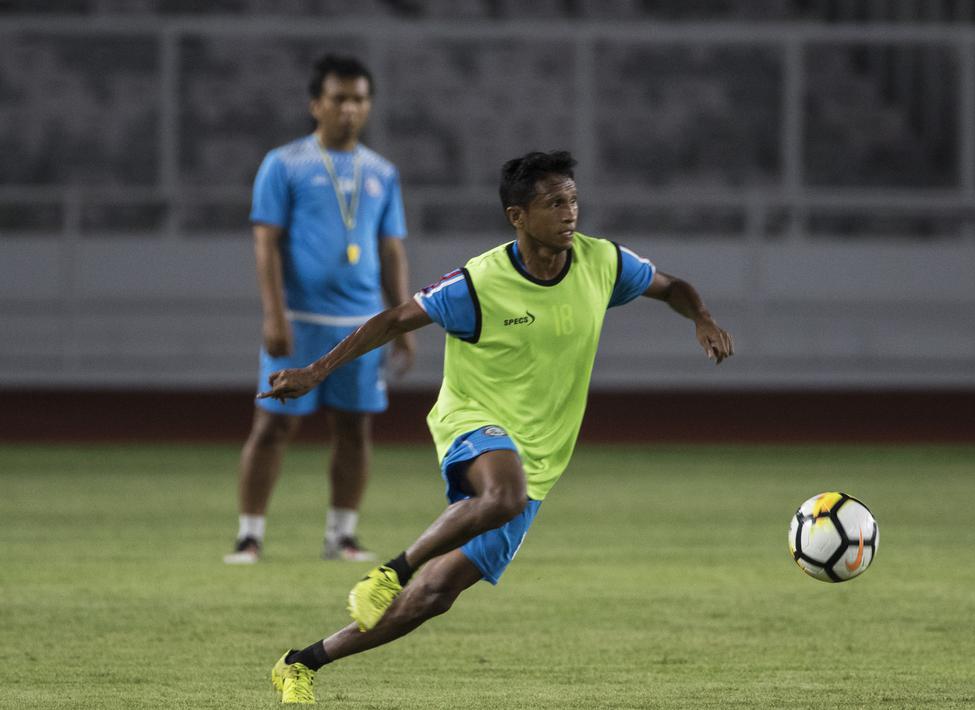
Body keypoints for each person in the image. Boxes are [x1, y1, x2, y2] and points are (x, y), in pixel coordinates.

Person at [260, 150, 733, 703]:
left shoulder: (603, 262)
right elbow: (393, 320)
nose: (570, 213)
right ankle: (391, 571)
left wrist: (702, 317)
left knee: (436, 595)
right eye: (553, 203)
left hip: (542, 455)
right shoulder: (478, 283)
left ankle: (301, 663)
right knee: (503, 494)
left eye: (573, 199)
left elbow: (672, 286)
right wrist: (316, 371)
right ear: (518, 216)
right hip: (472, 418)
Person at [224, 54, 415, 565]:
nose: (349, 109)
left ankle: (342, 536)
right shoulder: (284, 164)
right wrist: (274, 314)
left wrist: (403, 323)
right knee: (274, 425)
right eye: (339, 99)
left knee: (354, 428)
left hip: (362, 324)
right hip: (301, 320)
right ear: (316, 105)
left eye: (359, 99)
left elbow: (391, 249)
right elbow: (265, 242)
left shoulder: (382, 172)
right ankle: (249, 535)